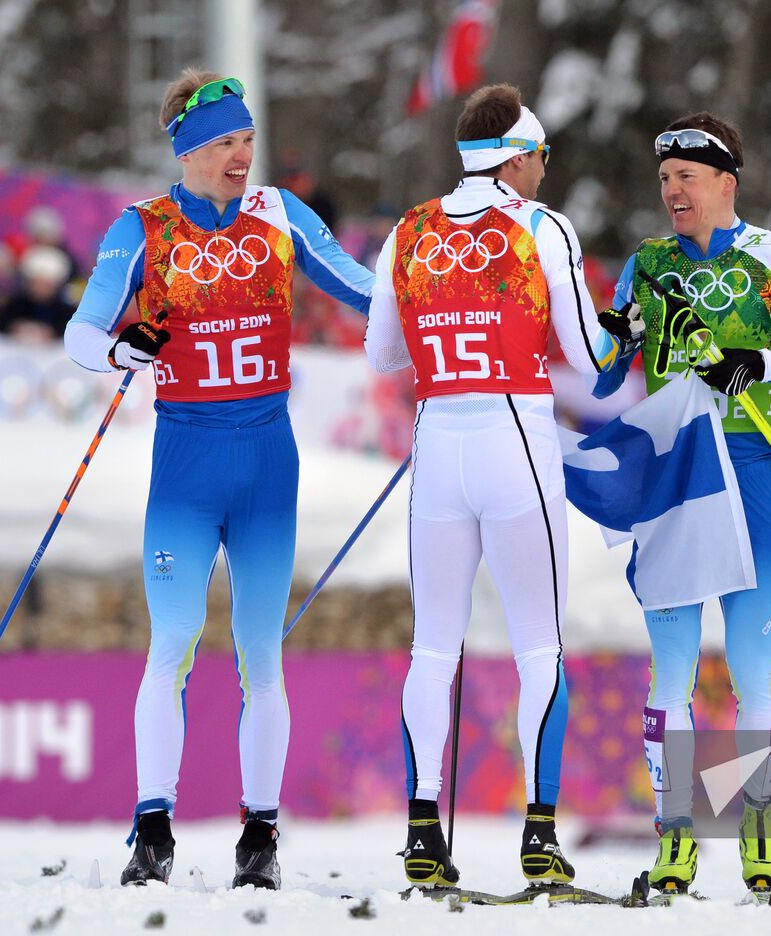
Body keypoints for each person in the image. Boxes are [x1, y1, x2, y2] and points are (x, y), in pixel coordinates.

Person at [63, 68, 374, 889]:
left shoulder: (278, 214)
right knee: (171, 642)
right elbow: (80, 331)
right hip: (187, 466)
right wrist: (124, 347)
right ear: (192, 151)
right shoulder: (145, 227)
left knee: (259, 653)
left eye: (248, 140)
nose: (244, 155)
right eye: (229, 143)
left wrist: (444, 311)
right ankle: (152, 828)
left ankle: (260, 838)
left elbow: (360, 287)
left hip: (268, 461)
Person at [364, 84, 632, 889]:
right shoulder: (540, 225)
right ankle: (540, 837)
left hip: (440, 445)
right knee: (539, 645)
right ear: (516, 156)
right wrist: (634, 330)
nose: (544, 172)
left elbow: (383, 356)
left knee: (432, 646)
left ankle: (421, 832)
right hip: (517, 439)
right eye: (541, 157)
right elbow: (592, 362)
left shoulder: (408, 230)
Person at [591, 112, 771, 902]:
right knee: (670, 668)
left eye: (687, 177)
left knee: (749, 668)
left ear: (725, 183)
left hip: (746, 469)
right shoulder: (647, 262)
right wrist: (616, 338)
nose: (672, 190)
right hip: (670, 475)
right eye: (664, 178)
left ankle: (760, 831)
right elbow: (605, 380)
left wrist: (760, 360)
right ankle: (675, 839)